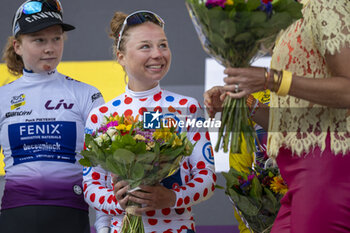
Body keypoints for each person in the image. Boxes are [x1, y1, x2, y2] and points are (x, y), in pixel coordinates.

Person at [204, 0, 350, 232]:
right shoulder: (293, 12)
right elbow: (299, 122)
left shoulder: (326, 4)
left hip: (326, 169)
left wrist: (270, 79)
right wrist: (245, 103)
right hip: (298, 171)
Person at [83, 10, 216, 233]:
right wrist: (120, 201)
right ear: (121, 56)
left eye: (163, 45)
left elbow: (207, 178)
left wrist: (172, 197)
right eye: (145, 46)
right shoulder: (102, 115)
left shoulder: (189, 108)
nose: (158, 54)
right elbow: (91, 186)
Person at [0, 1, 104, 233]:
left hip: (71, 213)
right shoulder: (2, 96)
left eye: (56, 39)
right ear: (17, 46)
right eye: (39, 40)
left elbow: (103, 167)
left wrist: (104, 224)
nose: (50, 48)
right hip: (15, 216)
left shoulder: (87, 93)